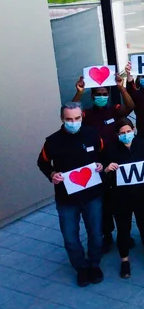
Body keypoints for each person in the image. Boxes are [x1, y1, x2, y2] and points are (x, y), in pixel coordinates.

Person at [37, 102, 105, 287]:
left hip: (92, 195)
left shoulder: (92, 134)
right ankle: (81, 268)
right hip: (66, 199)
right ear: (62, 119)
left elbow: (103, 153)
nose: (73, 122)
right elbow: (42, 162)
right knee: (70, 237)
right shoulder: (52, 141)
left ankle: (94, 264)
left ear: (82, 116)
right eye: (69, 119)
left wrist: (101, 165)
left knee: (96, 233)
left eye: (77, 118)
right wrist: (51, 174)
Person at [72, 72, 135, 253]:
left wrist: (121, 88)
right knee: (103, 202)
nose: (101, 97)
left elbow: (130, 106)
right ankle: (107, 235)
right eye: (98, 94)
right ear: (92, 96)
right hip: (97, 163)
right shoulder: (87, 113)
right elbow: (72, 110)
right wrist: (79, 92)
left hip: (117, 160)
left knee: (121, 200)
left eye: (104, 94)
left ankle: (124, 235)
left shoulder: (114, 109)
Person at [103, 119, 144, 278]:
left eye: (128, 131)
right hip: (120, 197)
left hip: (141, 194)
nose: (126, 135)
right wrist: (107, 169)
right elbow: (103, 174)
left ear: (133, 130)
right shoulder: (110, 149)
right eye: (122, 133)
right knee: (123, 228)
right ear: (117, 134)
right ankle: (124, 260)